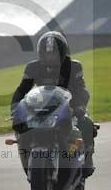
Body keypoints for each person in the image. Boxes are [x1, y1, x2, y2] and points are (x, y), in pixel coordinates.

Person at [11, 31, 97, 177]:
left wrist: (80, 106)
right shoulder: (32, 68)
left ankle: (87, 159)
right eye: (46, 54)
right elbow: (22, 91)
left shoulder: (74, 67)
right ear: (40, 54)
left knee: (86, 123)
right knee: (21, 128)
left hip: (69, 107)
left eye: (54, 54)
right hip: (41, 108)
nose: (50, 57)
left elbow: (81, 90)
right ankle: (27, 158)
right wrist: (15, 109)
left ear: (62, 53)